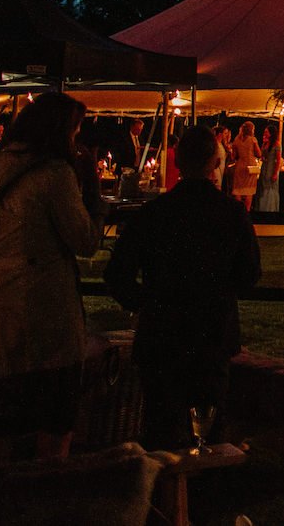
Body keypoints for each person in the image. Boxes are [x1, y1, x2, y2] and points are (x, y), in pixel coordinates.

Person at [0, 91, 104, 465]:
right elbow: (85, 240)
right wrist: (91, 189)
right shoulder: (54, 176)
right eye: (74, 132)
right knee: (54, 427)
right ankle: (44, 503)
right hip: (45, 315)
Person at [105, 126, 262, 450]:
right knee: (208, 425)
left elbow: (117, 275)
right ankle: (203, 490)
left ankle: (163, 492)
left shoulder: (152, 213)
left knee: (161, 426)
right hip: (211, 333)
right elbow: (249, 274)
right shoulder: (230, 213)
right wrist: (218, 293)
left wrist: (147, 302)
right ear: (213, 162)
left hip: (162, 333)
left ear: (180, 163)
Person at [230, 120, 260, 208]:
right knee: (249, 191)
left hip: (239, 165)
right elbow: (259, 154)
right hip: (250, 166)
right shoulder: (253, 140)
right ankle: (247, 212)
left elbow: (234, 156)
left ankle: (238, 211)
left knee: (238, 190)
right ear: (251, 130)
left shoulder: (236, 139)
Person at [254, 126, 281, 213]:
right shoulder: (265, 143)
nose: (265, 133)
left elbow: (278, 160)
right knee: (262, 185)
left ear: (271, 133)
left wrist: (275, 173)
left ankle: (270, 208)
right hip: (264, 167)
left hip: (272, 167)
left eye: (267, 132)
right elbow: (261, 155)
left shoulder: (277, 144)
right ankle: (262, 207)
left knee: (270, 187)